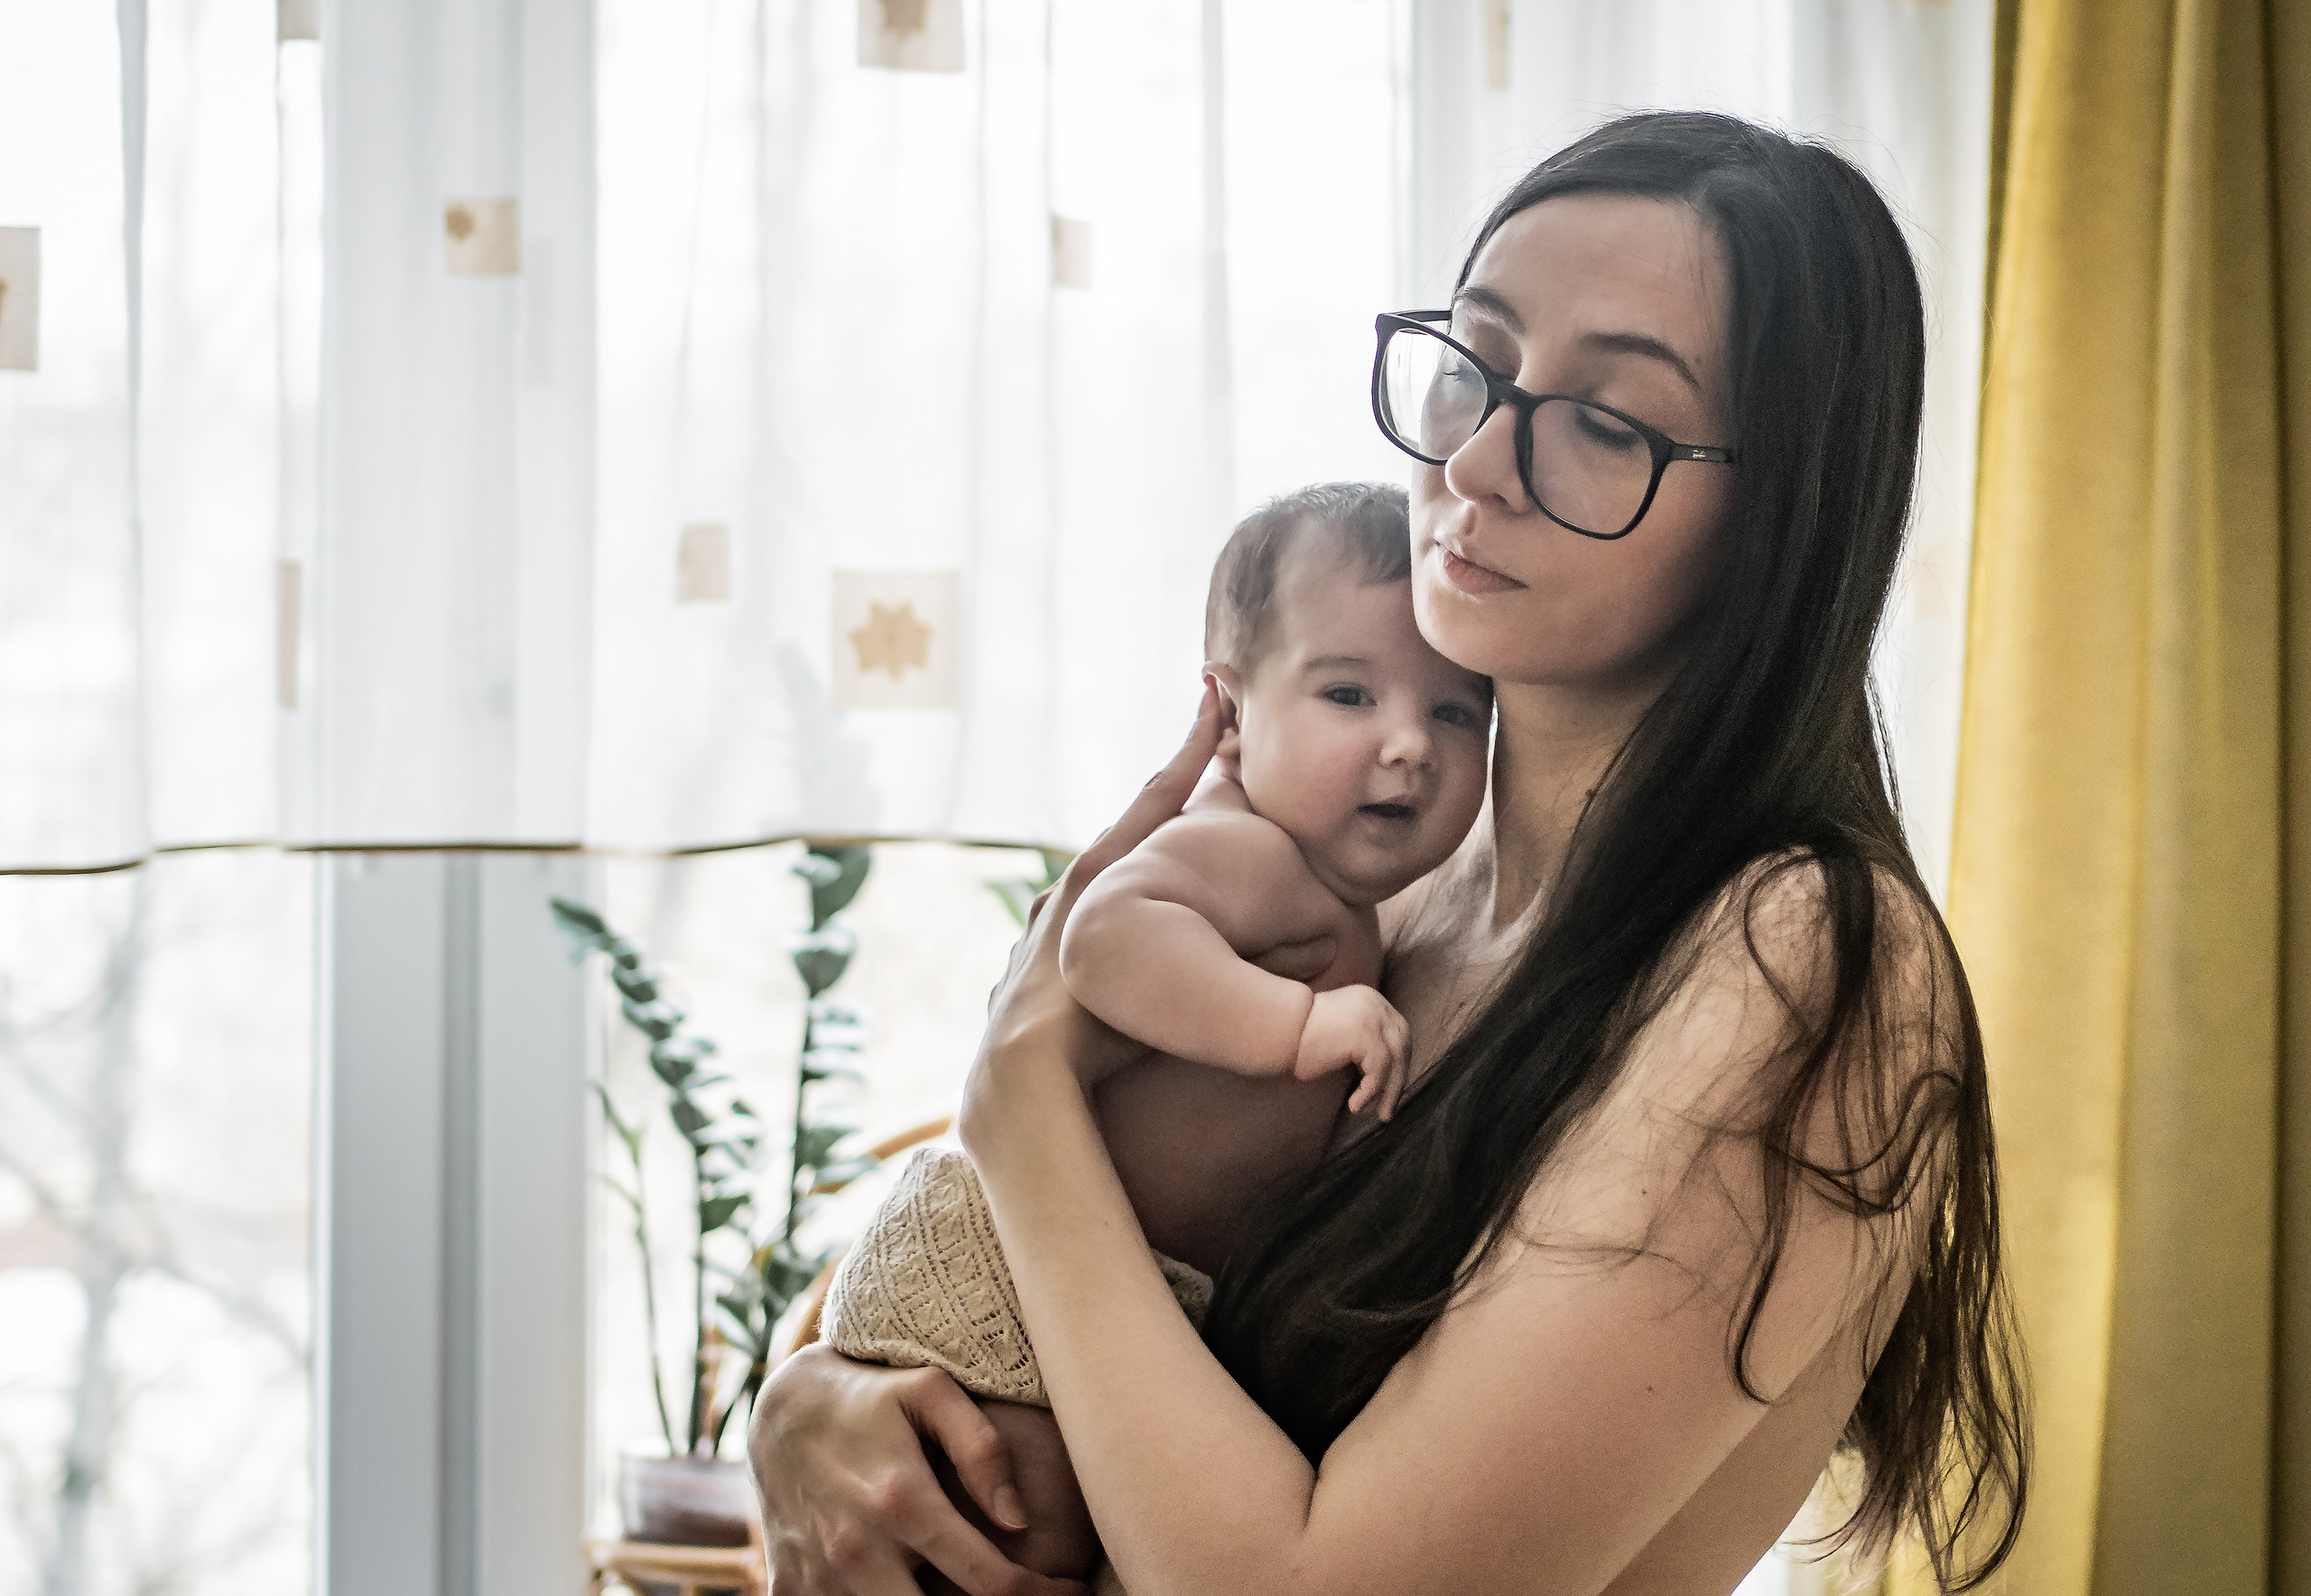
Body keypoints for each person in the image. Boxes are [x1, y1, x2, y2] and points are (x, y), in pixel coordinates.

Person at [751, 110, 2028, 1596]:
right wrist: (807, 1401)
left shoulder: (1801, 952)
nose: (1479, 462)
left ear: (1780, 514)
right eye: (1470, 368)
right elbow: (1059, 1287)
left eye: (1605, 422)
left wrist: (1015, 1096)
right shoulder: (1398, 874)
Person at [818, 486, 1490, 1471]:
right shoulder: (1248, 850)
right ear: (1227, 718)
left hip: (1099, 1279)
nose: (1409, 744)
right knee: (1018, 1515)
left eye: (1456, 712)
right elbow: (1107, 938)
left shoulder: (1338, 891)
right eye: (1348, 694)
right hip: (1001, 1264)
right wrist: (1295, 1024)